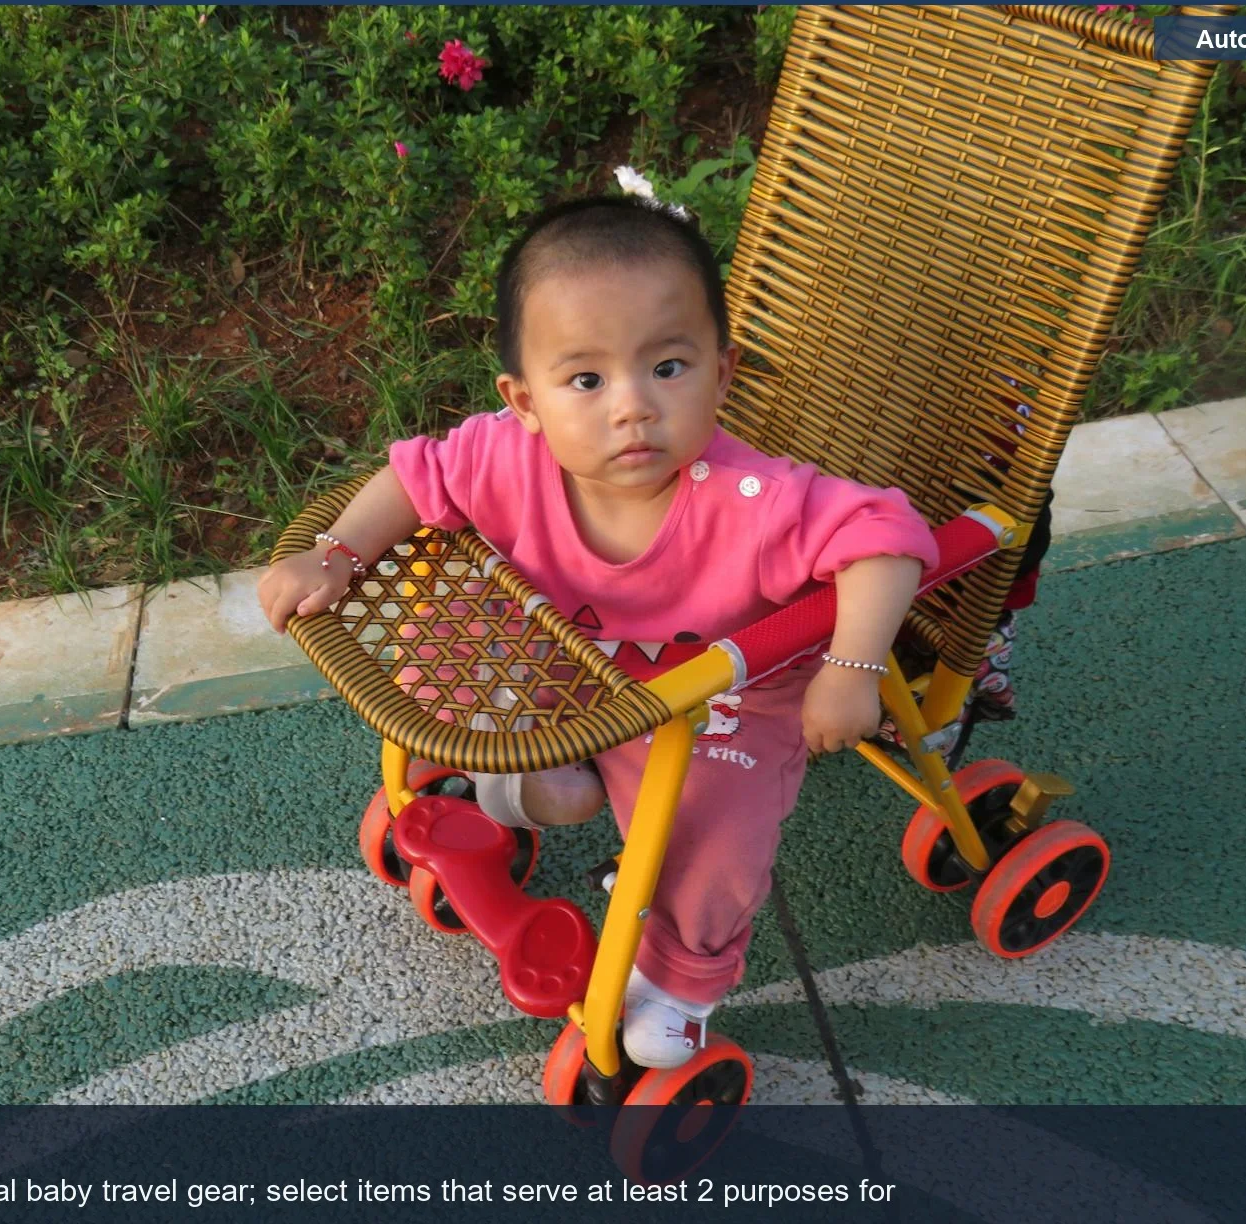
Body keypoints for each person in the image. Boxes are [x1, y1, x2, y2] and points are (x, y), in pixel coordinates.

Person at [258, 194, 939, 1070]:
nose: (631, 408)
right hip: (575, 666)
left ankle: (682, 977)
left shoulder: (758, 502)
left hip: (721, 692)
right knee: (454, 637)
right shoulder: (509, 454)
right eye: (585, 380)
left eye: (667, 367)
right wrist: (338, 552)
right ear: (524, 399)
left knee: (711, 833)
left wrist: (850, 666)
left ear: (722, 374)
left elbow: (886, 537)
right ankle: (535, 781)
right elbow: (413, 475)